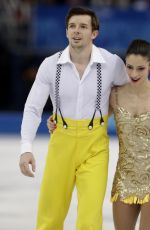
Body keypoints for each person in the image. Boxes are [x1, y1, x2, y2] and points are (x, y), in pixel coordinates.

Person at [19, 6, 129, 230]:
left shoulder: (112, 63)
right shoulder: (50, 65)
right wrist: (26, 148)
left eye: (83, 26)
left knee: (90, 220)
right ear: (66, 31)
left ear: (94, 33)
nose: (76, 31)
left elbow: (128, 94)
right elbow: (32, 107)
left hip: (95, 146)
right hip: (61, 143)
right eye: (72, 26)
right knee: (50, 217)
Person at [110, 39, 150, 230]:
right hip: (124, 178)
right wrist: (57, 121)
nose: (134, 74)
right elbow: (89, 121)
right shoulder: (114, 95)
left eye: (140, 68)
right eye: (129, 67)